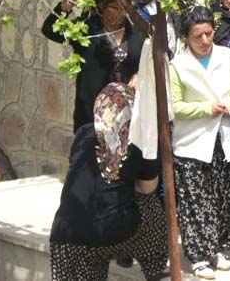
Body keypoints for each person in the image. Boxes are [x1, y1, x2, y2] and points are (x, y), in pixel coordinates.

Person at [49, 83, 168, 281]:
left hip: (65, 235)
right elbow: (148, 188)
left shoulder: (83, 134)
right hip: (113, 231)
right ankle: (155, 268)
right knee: (150, 204)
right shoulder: (138, 141)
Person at [169, 6, 230, 280]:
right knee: (196, 201)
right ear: (186, 38)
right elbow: (176, 106)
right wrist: (206, 109)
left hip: (226, 139)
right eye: (197, 36)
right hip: (193, 142)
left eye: (208, 33)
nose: (204, 40)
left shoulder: (227, 56)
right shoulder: (178, 65)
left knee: (224, 198)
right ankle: (199, 255)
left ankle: (218, 248)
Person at [42, 0, 142, 133]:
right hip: (91, 113)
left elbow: (151, 57)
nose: (121, 13)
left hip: (127, 113)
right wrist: (67, 5)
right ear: (101, 9)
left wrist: (139, 74)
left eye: (123, 8)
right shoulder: (85, 30)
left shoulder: (135, 32)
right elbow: (49, 29)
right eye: (115, 8)